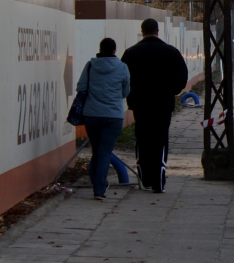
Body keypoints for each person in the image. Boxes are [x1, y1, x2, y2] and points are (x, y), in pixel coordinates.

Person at [121, 18, 189, 193]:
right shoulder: (171, 52)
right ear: (157, 31)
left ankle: (145, 177)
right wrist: (171, 91)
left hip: (140, 104)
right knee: (160, 139)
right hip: (162, 104)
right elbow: (182, 77)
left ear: (142, 32)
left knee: (143, 139)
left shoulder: (131, 53)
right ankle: (159, 180)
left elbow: (123, 79)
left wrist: (132, 95)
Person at [76, 38, 130, 201]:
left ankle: (97, 182)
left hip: (92, 115)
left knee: (97, 151)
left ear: (100, 49)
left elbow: (81, 87)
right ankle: (99, 188)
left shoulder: (90, 66)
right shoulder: (122, 67)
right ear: (115, 51)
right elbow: (125, 91)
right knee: (105, 152)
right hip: (113, 116)